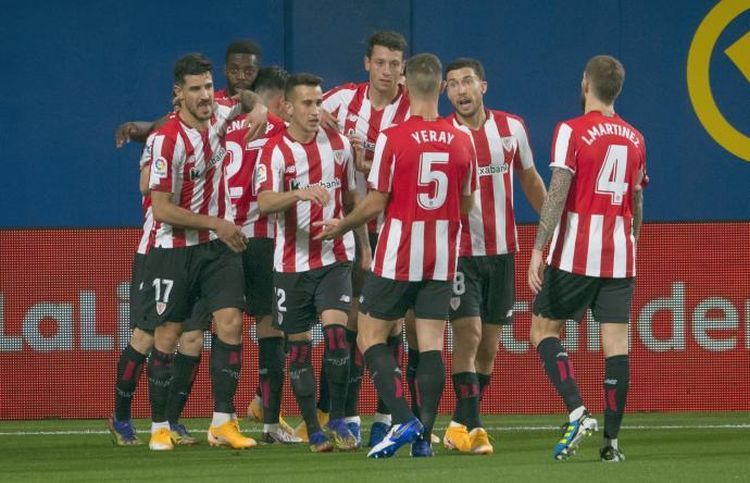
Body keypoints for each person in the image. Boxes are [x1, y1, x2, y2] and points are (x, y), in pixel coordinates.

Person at [316, 53, 477, 459]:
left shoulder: (393, 136)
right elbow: (467, 201)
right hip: (442, 255)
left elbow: (376, 201)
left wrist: (343, 224)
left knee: (371, 335)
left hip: (398, 253)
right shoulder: (463, 139)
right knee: (431, 346)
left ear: (406, 82)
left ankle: (405, 418)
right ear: (442, 87)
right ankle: (422, 441)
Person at [140, 52, 267, 451]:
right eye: (195, 89)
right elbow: (161, 208)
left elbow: (244, 100)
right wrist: (217, 222)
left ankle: (222, 423)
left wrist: (260, 107)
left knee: (230, 324)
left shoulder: (224, 114)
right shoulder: (167, 141)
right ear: (178, 94)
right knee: (168, 334)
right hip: (174, 249)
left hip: (217, 248)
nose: (205, 96)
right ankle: (160, 424)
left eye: (209, 87)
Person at [527, 55, 646, 462]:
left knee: (542, 331)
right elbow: (637, 199)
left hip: (578, 252)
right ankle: (611, 444)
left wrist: (538, 249)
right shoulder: (635, 137)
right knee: (617, 348)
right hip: (620, 255)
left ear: (585, 84)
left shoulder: (571, 130)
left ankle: (577, 410)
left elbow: (557, 192)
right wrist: (632, 244)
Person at [255, 73, 369, 453]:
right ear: (287, 108)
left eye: (319, 102)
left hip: (335, 258)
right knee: (299, 350)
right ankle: (313, 431)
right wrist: (299, 193)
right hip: (291, 264)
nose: (316, 110)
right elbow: (265, 202)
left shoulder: (338, 145)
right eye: (307, 103)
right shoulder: (274, 151)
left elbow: (352, 200)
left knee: (338, 340)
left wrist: (363, 247)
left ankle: (336, 419)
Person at [441, 58, 546, 454]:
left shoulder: (511, 128)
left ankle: (458, 424)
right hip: (460, 254)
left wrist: (552, 228)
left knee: (489, 347)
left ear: (483, 86)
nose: (461, 91)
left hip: (503, 253)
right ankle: (476, 427)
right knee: (466, 336)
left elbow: (531, 180)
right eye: (452, 85)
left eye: (467, 82)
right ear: (446, 92)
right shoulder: (442, 136)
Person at [316, 30, 410, 447]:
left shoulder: (412, 112)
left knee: (393, 325)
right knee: (351, 319)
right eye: (380, 62)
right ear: (366, 64)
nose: (387, 71)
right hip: (350, 226)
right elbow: (297, 115)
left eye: (395, 64)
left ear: (403, 69)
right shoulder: (339, 101)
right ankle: (345, 413)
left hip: (395, 227)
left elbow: (407, 173)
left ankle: (386, 414)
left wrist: (366, 160)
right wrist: (317, 119)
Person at [108, 124, 207, 447]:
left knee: (191, 337)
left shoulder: (210, 138)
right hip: (156, 250)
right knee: (146, 335)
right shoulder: (163, 140)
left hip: (197, 252)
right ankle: (121, 417)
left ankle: (169, 419)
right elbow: (144, 186)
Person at [223, 65, 301, 444]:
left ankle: (203, 419)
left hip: (220, 238)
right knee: (273, 327)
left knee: (207, 331)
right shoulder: (280, 132)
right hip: (263, 239)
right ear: (282, 102)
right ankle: (270, 422)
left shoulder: (221, 124)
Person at [115, 39, 264, 148]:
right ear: (225, 70)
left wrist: (260, 106)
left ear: (258, 71)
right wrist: (135, 127)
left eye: (249, 71)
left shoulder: (267, 105)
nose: (241, 76)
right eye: (234, 70)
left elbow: (248, 97)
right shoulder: (208, 104)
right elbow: (161, 126)